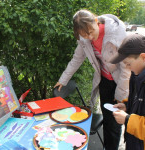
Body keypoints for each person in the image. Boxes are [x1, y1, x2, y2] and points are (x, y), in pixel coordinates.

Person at [54, 9, 130, 150]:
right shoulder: (85, 38)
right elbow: (77, 59)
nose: (89, 37)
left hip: (121, 81)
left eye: (90, 32)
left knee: (115, 122)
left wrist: (121, 95)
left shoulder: (116, 33)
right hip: (105, 81)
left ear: (96, 21)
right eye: (84, 35)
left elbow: (126, 67)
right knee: (107, 117)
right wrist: (63, 79)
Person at [111, 34, 145, 150]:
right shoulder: (137, 75)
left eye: (128, 64)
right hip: (133, 141)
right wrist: (127, 106)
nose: (126, 67)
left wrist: (127, 119)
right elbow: (138, 102)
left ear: (143, 57)